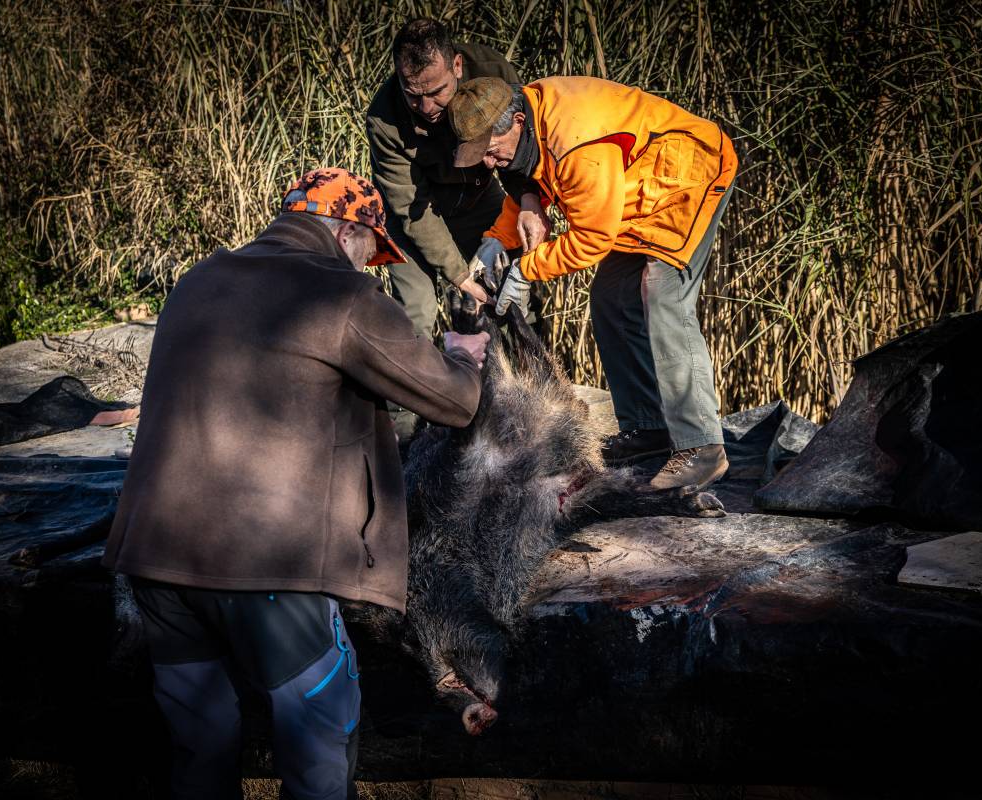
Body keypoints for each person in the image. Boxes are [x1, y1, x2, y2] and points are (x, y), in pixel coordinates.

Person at [102, 167, 489, 800]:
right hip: (270, 569)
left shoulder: (199, 280)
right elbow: (454, 402)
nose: (370, 266)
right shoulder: (341, 295)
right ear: (347, 231)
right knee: (318, 747)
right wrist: (464, 354)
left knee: (200, 748)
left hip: (156, 558)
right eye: (372, 251)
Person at [447, 76, 738, 490]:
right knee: (610, 298)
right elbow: (539, 185)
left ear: (515, 122)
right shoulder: (531, 118)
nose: (490, 164)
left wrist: (527, 271)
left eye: (492, 152)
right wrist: (498, 239)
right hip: (639, 195)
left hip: (687, 180)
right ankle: (650, 428)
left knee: (663, 295)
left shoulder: (577, 142)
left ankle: (702, 448)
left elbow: (592, 240)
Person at [365, 17, 543, 341]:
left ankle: (532, 381)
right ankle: (414, 386)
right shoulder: (384, 119)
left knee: (511, 296)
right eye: (413, 96)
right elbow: (409, 207)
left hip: (477, 193)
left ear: (457, 66)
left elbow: (521, 146)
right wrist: (459, 276)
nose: (427, 107)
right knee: (414, 312)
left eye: (436, 92)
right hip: (415, 213)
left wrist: (529, 198)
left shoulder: (494, 72)